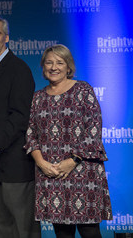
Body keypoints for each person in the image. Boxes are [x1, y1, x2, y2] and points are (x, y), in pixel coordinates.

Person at [24, 44, 112, 238]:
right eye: (49, 62)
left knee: (90, 232)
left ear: (68, 67)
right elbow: (30, 134)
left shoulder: (83, 89)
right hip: (51, 173)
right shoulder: (37, 98)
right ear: (43, 67)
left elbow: (94, 130)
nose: (54, 67)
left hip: (82, 172)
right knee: (62, 233)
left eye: (59, 62)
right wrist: (41, 163)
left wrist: (72, 161)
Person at [0, 16, 41, 238]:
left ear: (7, 38)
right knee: (1, 226)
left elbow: (21, 116)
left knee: (24, 228)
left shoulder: (18, 68)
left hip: (14, 161)